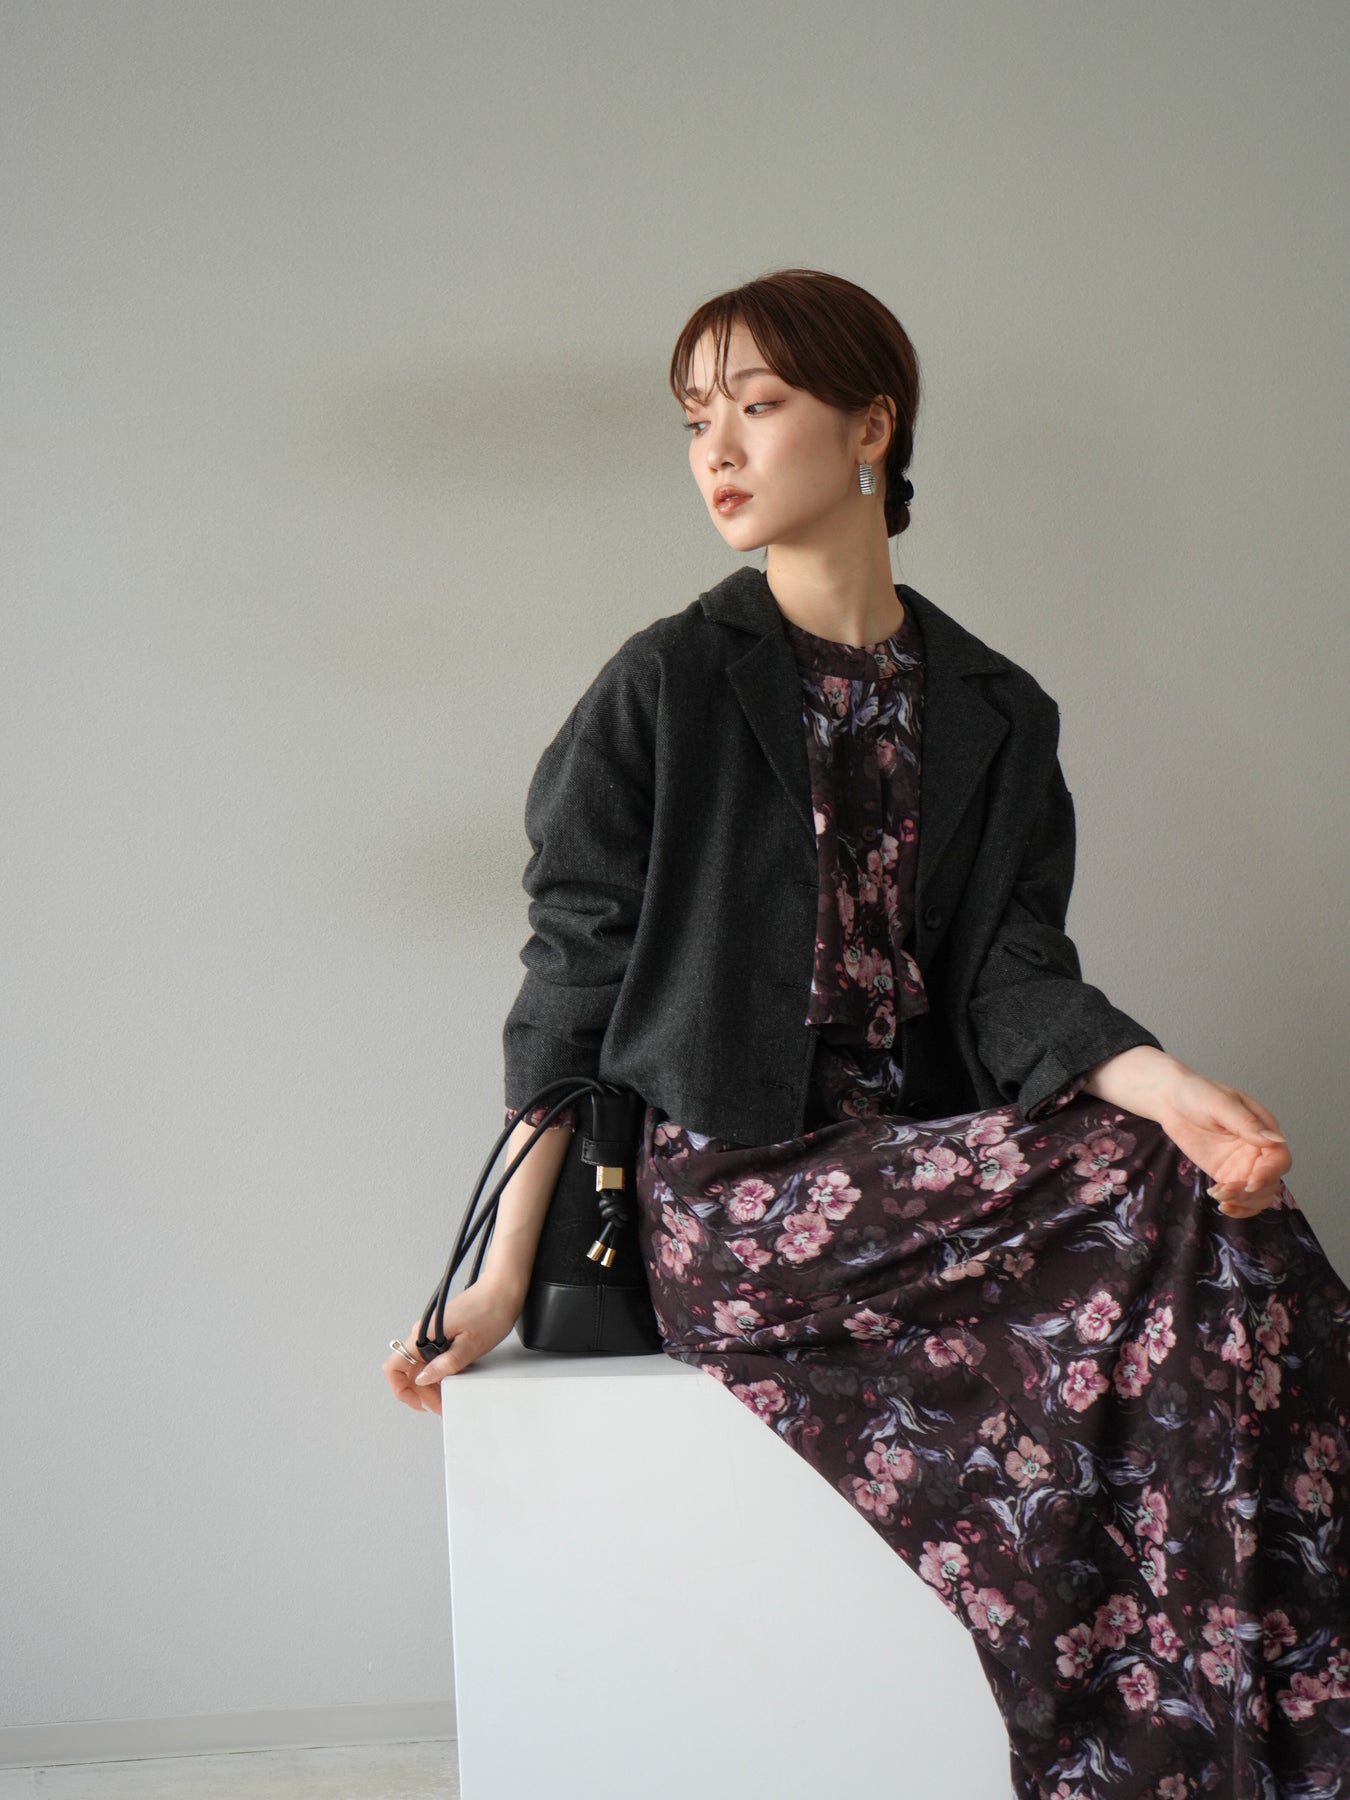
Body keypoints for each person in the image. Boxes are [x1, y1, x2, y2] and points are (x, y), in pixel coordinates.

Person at [385, 270, 1350, 1797]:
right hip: (736, 1203)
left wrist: (1165, 1084)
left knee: (1235, 1228)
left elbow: (1012, 979)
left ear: (869, 428)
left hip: (926, 1187)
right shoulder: (665, 686)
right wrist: (498, 1274)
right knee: (1151, 1186)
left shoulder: (994, 709)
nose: (716, 450)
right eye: (694, 420)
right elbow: (571, 983)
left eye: (757, 406)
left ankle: (1240, 1743)